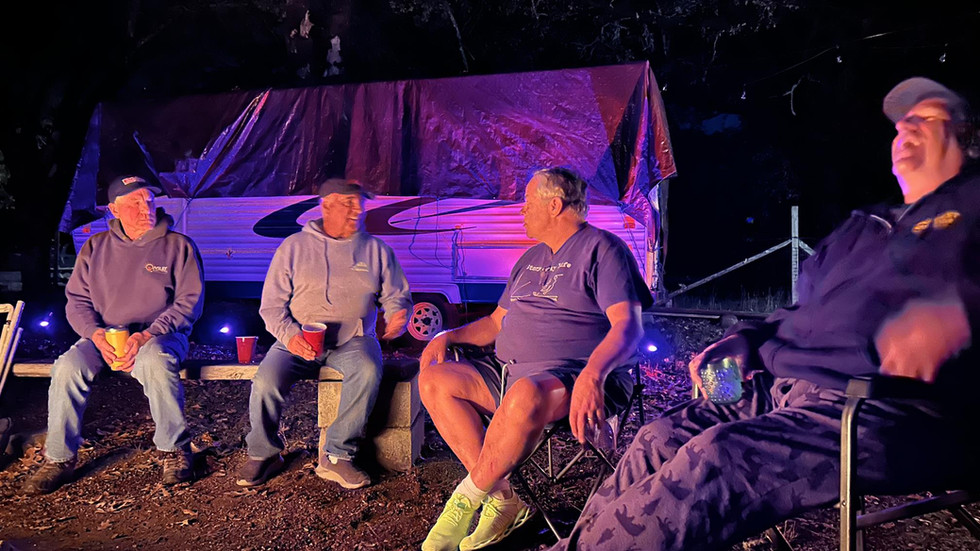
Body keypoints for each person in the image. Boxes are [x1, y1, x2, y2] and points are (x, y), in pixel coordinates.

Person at [550, 76, 980, 550]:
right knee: (657, 438)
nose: (906, 130)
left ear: (968, 136)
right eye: (901, 124)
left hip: (888, 406)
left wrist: (960, 315)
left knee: (716, 458)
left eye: (926, 119)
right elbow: (798, 314)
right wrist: (746, 339)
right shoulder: (865, 227)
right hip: (781, 387)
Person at [419, 167, 653, 551]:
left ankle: (462, 504)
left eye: (528, 202)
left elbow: (628, 327)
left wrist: (594, 375)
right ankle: (502, 499)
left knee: (525, 393)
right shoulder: (529, 259)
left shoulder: (603, 250)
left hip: (576, 375)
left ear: (554, 205)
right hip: (508, 376)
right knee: (435, 380)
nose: (522, 210)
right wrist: (448, 335)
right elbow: (495, 323)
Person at [23, 175, 205, 495]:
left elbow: (190, 302)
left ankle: (174, 449)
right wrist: (94, 335)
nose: (146, 207)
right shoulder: (95, 247)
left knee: (156, 362)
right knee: (67, 367)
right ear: (114, 209)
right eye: (135, 202)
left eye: (149, 200)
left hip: (160, 336)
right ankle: (59, 458)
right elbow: (77, 301)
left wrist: (148, 334)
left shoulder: (179, 246)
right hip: (105, 337)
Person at [236, 178, 412, 489]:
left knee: (368, 369)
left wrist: (398, 312)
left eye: (360, 203)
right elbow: (271, 307)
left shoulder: (376, 250)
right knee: (266, 380)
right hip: (297, 339)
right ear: (326, 206)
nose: (358, 210)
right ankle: (264, 453)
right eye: (348, 203)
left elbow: (397, 295)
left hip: (354, 340)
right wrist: (290, 336)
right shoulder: (293, 248)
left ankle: (337, 455)